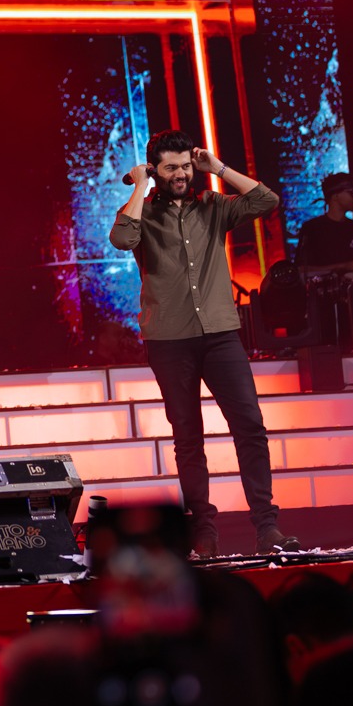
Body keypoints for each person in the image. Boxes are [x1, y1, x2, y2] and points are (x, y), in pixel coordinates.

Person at [109, 130, 300, 557]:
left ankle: (267, 527)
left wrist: (218, 168)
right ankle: (204, 534)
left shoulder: (213, 205)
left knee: (250, 425)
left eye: (185, 166)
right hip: (169, 340)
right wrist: (140, 186)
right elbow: (122, 239)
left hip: (220, 336)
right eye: (170, 168)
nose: (180, 174)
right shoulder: (143, 212)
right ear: (156, 170)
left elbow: (266, 201)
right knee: (188, 437)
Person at [294, 173, 353, 273]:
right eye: (352, 193)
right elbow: (301, 269)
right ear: (335, 196)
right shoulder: (312, 229)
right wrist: (343, 266)